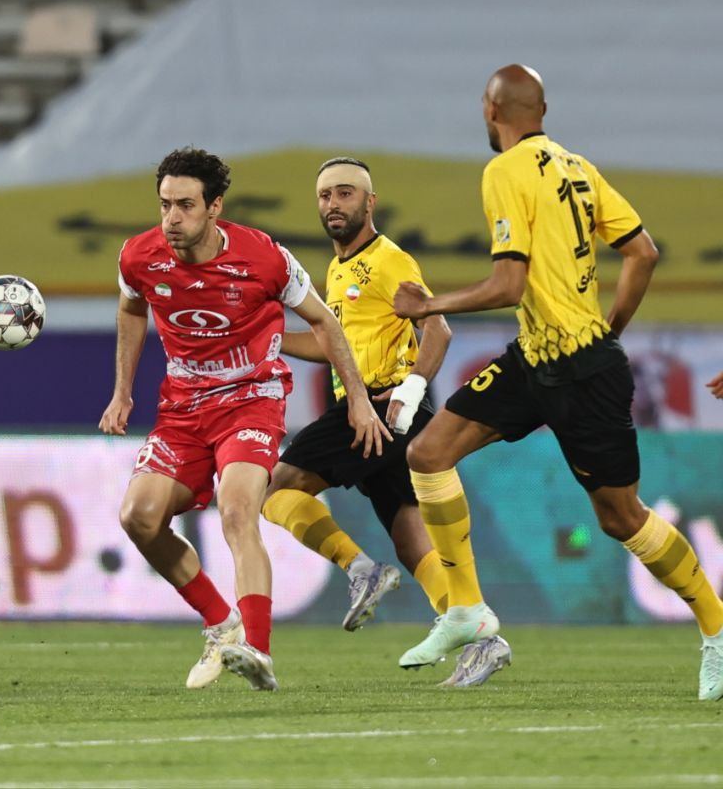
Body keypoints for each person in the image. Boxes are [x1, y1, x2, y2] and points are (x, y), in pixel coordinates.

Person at [394, 64, 722, 701]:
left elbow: (508, 284)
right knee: (428, 453)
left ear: (491, 110)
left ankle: (716, 626)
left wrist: (428, 306)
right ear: (540, 110)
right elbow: (643, 251)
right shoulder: (579, 168)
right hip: (537, 357)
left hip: (582, 375)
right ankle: (466, 609)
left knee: (621, 517)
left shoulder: (503, 171)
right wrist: (610, 329)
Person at [99, 147, 388, 691]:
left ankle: (258, 649)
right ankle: (220, 624)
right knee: (138, 517)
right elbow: (132, 308)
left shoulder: (265, 257)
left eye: (185, 205)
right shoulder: (139, 255)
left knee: (236, 510)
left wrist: (357, 398)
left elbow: (324, 323)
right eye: (165, 205)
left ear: (215, 207)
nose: (172, 218)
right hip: (183, 408)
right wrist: (122, 392)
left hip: (251, 399)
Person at [264, 157, 511, 687]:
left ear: (369, 202)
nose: (334, 204)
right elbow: (333, 346)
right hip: (381, 412)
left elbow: (438, 329)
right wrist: (273, 339)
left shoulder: (389, 259)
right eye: (326, 195)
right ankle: (484, 641)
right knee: (412, 540)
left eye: (345, 193)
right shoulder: (337, 269)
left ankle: (361, 570)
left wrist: (412, 388)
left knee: (277, 488)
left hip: (378, 407)